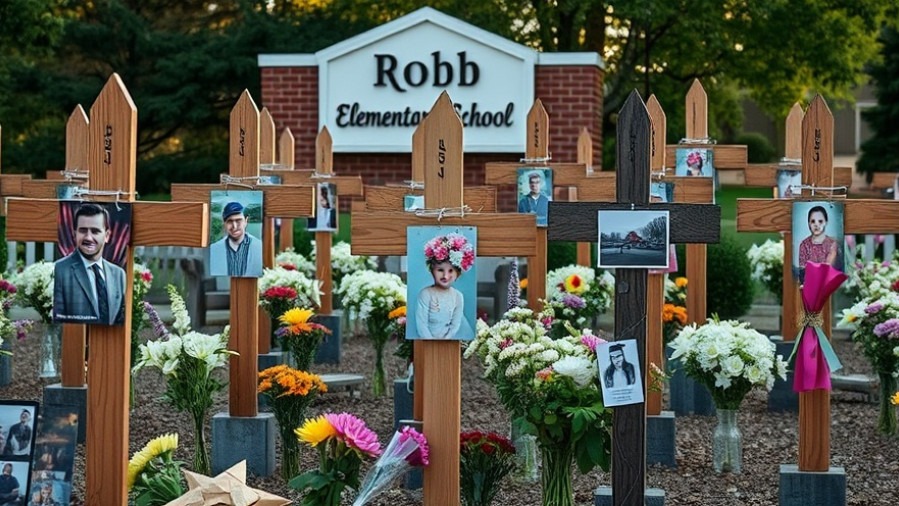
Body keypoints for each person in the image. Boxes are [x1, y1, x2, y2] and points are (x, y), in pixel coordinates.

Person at [52, 203, 126, 325]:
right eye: (83, 231)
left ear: (107, 236)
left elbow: (120, 319)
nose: (88, 238)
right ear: (74, 234)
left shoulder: (119, 274)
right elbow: (58, 321)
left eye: (95, 231)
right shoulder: (60, 270)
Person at [415, 234, 474, 339]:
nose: (445, 276)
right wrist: (432, 342)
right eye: (440, 270)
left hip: (449, 341)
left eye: (450, 271)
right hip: (427, 342)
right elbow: (421, 325)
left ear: (457, 274)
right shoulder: (426, 294)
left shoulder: (457, 296)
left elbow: (455, 325)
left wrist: (445, 341)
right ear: (432, 271)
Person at [209, 201, 263, 277]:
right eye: (230, 221)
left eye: (238, 220)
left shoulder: (260, 247)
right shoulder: (214, 249)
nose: (234, 226)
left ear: (246, 221)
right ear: (224, 224)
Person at [798, 205, 838, 270]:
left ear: (826, 222)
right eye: (813, 221)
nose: (816, 225)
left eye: (820, 221)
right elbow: (803, 270)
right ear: (809, 223)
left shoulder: (832, 244)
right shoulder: (804, 245)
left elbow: (829, 269)